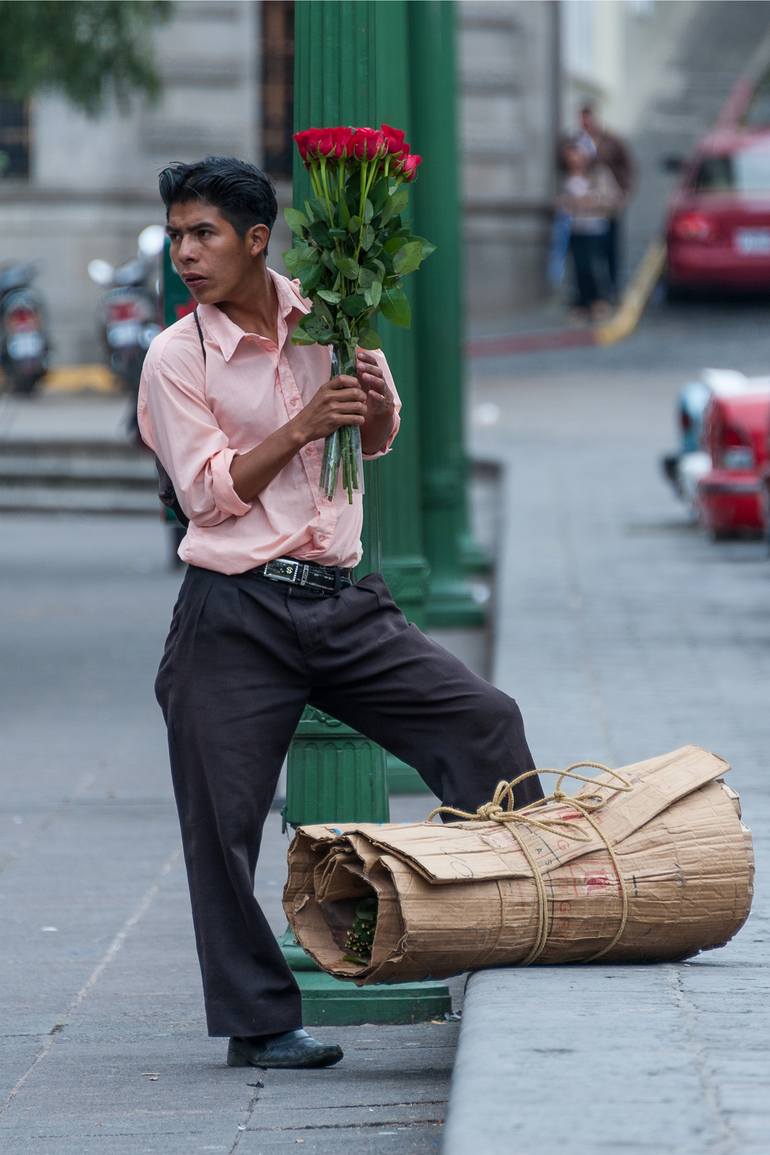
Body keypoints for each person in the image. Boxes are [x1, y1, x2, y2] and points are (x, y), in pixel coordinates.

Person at [137, 156, 543, 1071]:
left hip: (348, 603)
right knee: (221, 821)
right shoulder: (176, 357)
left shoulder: (332, 312)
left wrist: (364, 397)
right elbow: (207, 498)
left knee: (485, 722)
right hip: (232, 613)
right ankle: (261, 1022)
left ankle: (525, 916)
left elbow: (379, 432)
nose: (185, 255)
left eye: (202, 234)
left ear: (255, 238)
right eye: (175, 237)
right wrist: (302, 425)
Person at [558, 136, 622, 321]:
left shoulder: (600, 174)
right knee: (579, 267)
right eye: (570, 155)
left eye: (576, 153)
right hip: (574, 227)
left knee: (595, 265)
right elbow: (561, 201)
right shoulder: (565, 177)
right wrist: (565, 203)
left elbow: (613, 198)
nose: (573, 159)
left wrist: (592, 201)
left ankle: (600, 300)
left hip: (595, 227)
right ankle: (582, 302)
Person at [578, 104, 635, 301]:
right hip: (588, 203)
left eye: (588, 118)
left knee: (611, 245)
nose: (586, 123)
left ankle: (613, 286)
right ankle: (591, 290)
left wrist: (625, 192)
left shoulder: (612, 140)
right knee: (589, 247)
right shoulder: (579, 141)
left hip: (609, 200)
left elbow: (627, 166)